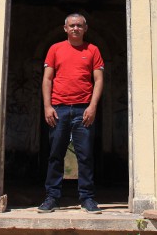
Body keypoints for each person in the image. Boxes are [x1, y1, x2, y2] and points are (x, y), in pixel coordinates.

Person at [38, 13, 104, 214]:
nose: (75, 28)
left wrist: (92, 107)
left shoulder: (92, 50)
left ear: (85, 28)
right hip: (59, 109)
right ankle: (52, 197)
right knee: (56, 154)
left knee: (85, 155)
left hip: (83, 109)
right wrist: (47, 106)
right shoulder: (55, 49)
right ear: (65, 28)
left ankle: (87, 198)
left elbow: (99, 80)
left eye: (79, 25)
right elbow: (47, 79)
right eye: (72, 25)